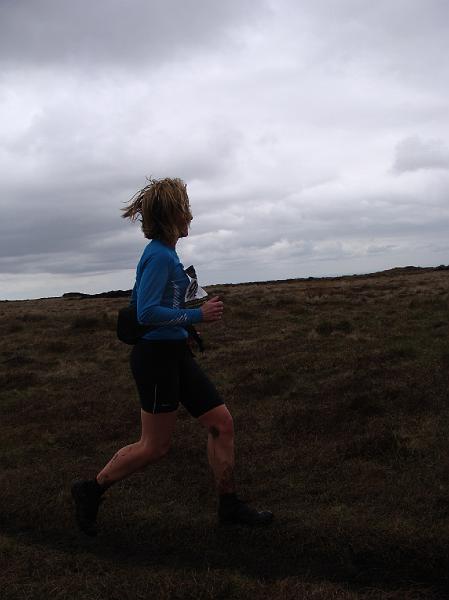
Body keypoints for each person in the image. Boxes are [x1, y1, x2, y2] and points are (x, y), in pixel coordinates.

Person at [71, 177, 273, 536]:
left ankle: (229, 506)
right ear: (174, 214)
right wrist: (198, 316)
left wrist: (186, 329)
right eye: (185, 208)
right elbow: (146, 312)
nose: (190, 216)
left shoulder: (168, 254)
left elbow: (163, 307)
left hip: (174, 353)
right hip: (154, 359)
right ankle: (91, 489)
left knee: (221, 423)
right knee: (154, 446)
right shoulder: (160, 257)